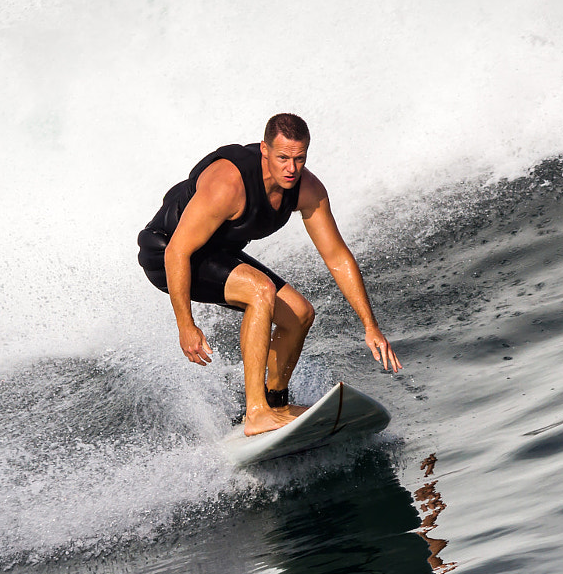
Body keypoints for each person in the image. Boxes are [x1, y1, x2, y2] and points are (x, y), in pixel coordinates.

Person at [138, 113, 401, 436]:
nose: (291, 168)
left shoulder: (306, 189)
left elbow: (336, 255)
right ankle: (256, 412)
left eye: (299, 158)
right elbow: (177, 252)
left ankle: (274, 402)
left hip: (217, 252)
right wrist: (186, 325)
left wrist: (370, 325)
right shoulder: (228, 184)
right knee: (259, 290)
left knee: (300, 314)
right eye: (282, 158)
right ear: (264, 150)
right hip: (165, 250)